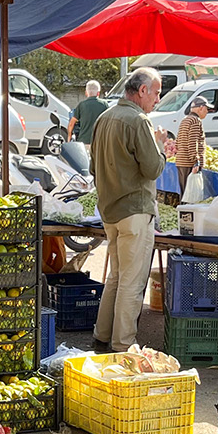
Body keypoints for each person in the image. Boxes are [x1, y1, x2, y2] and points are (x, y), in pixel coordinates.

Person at [90, 67, 167, 352]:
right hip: (134, 210)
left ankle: (102, 335)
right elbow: (152, 168)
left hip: (110, 210)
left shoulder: (103, 117)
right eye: (157, 92)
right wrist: (161, 147)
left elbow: (93, 169)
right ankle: (122, 345)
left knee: (116, 277)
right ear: (143, 90)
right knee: (131, 283)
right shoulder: (138, 121)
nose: (158, 98)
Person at [173, 94, 210, 194]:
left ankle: (183, 210)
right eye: (207, 109)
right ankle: (186, 210)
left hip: (181, 161)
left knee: (184, 192)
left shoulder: (185, 120)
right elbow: (193, 142)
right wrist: (196, 162)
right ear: (201, 108)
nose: (207, 112)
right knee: (190, 194)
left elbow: (178, 141)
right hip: (188, 163)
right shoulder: (195, 121)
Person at [68, 80, 107, 146]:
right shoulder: (104, 104)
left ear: (86, 93)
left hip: (84, 141)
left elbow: (72, 123)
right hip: (100, 142)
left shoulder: (82, 105)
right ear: (98, 93)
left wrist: (69, 137)